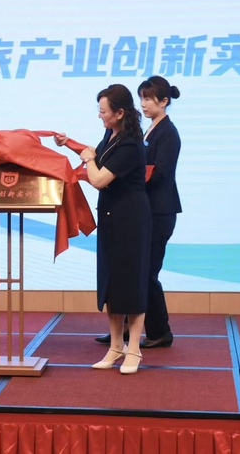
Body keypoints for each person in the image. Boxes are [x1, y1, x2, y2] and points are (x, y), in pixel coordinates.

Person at [56, 84, 151, 374]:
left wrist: (87, 159)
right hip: (111, 218)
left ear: (119, 113)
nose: (100, 116)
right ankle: (115, 346)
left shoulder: (131, 144)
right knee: (111, 282)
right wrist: (68, 143)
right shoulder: (112, 135)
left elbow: (98, 178)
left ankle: (133, 349)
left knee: (131, 282)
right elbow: (97, 155)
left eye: (103, 111)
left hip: (131, 220)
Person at [93, 76, 182, 349]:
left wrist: (125, 173)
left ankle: (159, 330)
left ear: (164, 102)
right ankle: (124, 330)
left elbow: (160, 171)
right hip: (140, 211)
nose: (143, 104)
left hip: (158, 210)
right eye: (141, 98)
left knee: (146, 273)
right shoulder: (146, 131)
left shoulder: (168, 132)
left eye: (148, 99)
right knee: (131, 272)